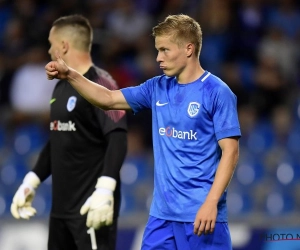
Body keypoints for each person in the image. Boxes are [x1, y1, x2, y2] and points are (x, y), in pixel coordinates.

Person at [45, 14, 241, 250]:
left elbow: (230, 152)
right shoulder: (157, 87)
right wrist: (71, 75)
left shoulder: (217, 92)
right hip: (162, 217)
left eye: (165, 50)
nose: (158, 58)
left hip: (201, 215)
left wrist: (211, 202)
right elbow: (108, 99)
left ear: (189, 49)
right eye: (157, 50)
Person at [11, 14, 128, 250]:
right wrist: (30, 182)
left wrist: (105, 189)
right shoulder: (61, 85)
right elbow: (58, 137)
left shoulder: (102, 84)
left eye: (51, 44)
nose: (49, 50)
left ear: (63, 46)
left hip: (91, 209)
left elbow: (118, 136)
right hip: (60, 211)